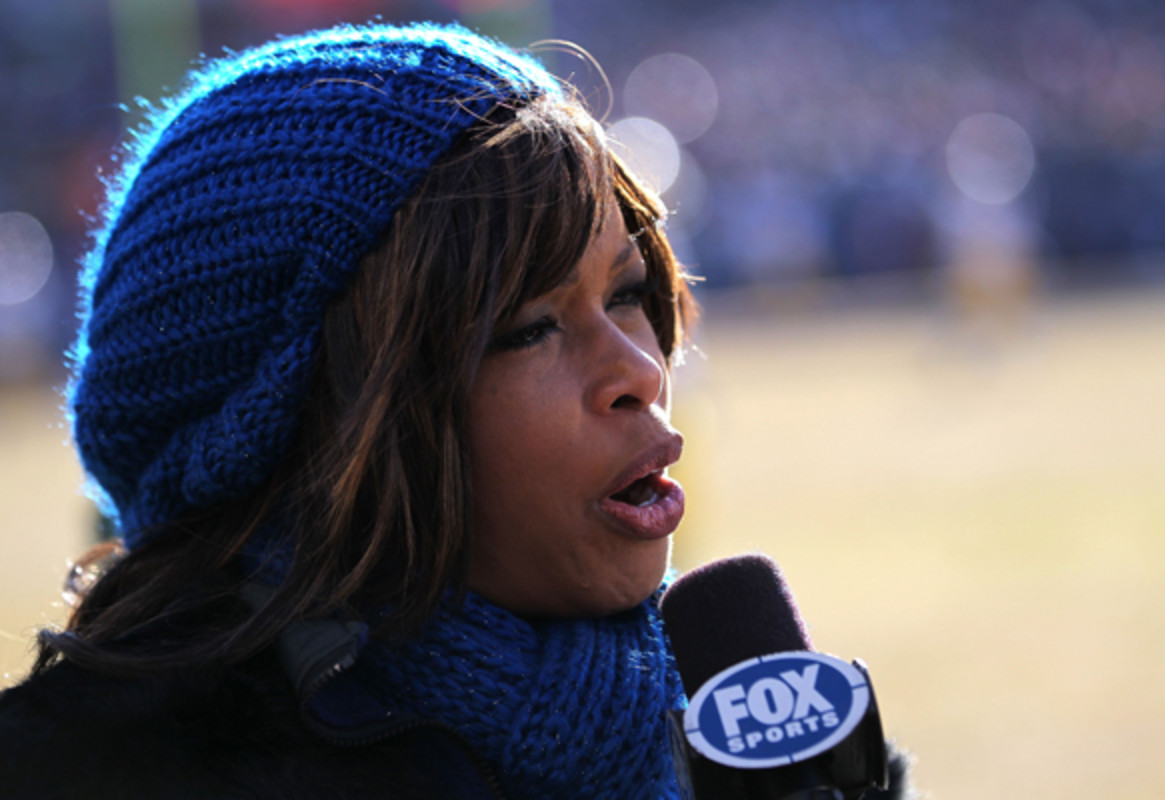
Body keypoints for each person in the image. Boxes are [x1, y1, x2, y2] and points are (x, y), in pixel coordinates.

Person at [0, 21, 910, 799]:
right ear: (313, 424)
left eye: (629, 293)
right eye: (529, 328)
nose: (637, 369)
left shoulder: (722, 722)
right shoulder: (92, 767)